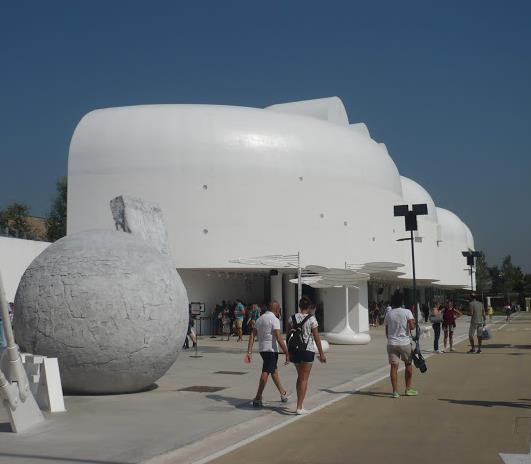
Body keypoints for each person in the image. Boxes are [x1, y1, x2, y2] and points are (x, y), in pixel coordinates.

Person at [245, 300, 290, 408]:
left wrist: (249, 351)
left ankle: (283, 393)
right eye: (279, 309)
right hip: (271, 350)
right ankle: (257, 398)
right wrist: (287, 352)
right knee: (266, 371)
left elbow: (252, 335)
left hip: (262, 350)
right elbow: (279, 338)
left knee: (273, 370)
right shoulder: (274, 320)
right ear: (276, 309)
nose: (280, 311)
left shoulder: (260, 319)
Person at [288, 296, 326, 415]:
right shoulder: (312, 319)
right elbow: (316, 337)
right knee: (304, 379)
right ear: (309, 307)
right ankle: (300, 406)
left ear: (299, 306)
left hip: (295, 350)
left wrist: (288, 352)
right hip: (308, 350)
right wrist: (321, 353)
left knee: (300, 377)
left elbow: (289, 335)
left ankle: (299, 404)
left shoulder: (292, 318)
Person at [384, 292, 417, 398]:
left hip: (392, 343)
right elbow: (412, 327)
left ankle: (395, 391)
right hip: (404, 342)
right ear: (402, 302)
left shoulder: (389, 313)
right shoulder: (407, 312)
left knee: (394, 367)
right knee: (408, 364)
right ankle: (408, 389)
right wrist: (413, 322)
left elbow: (387, 330)